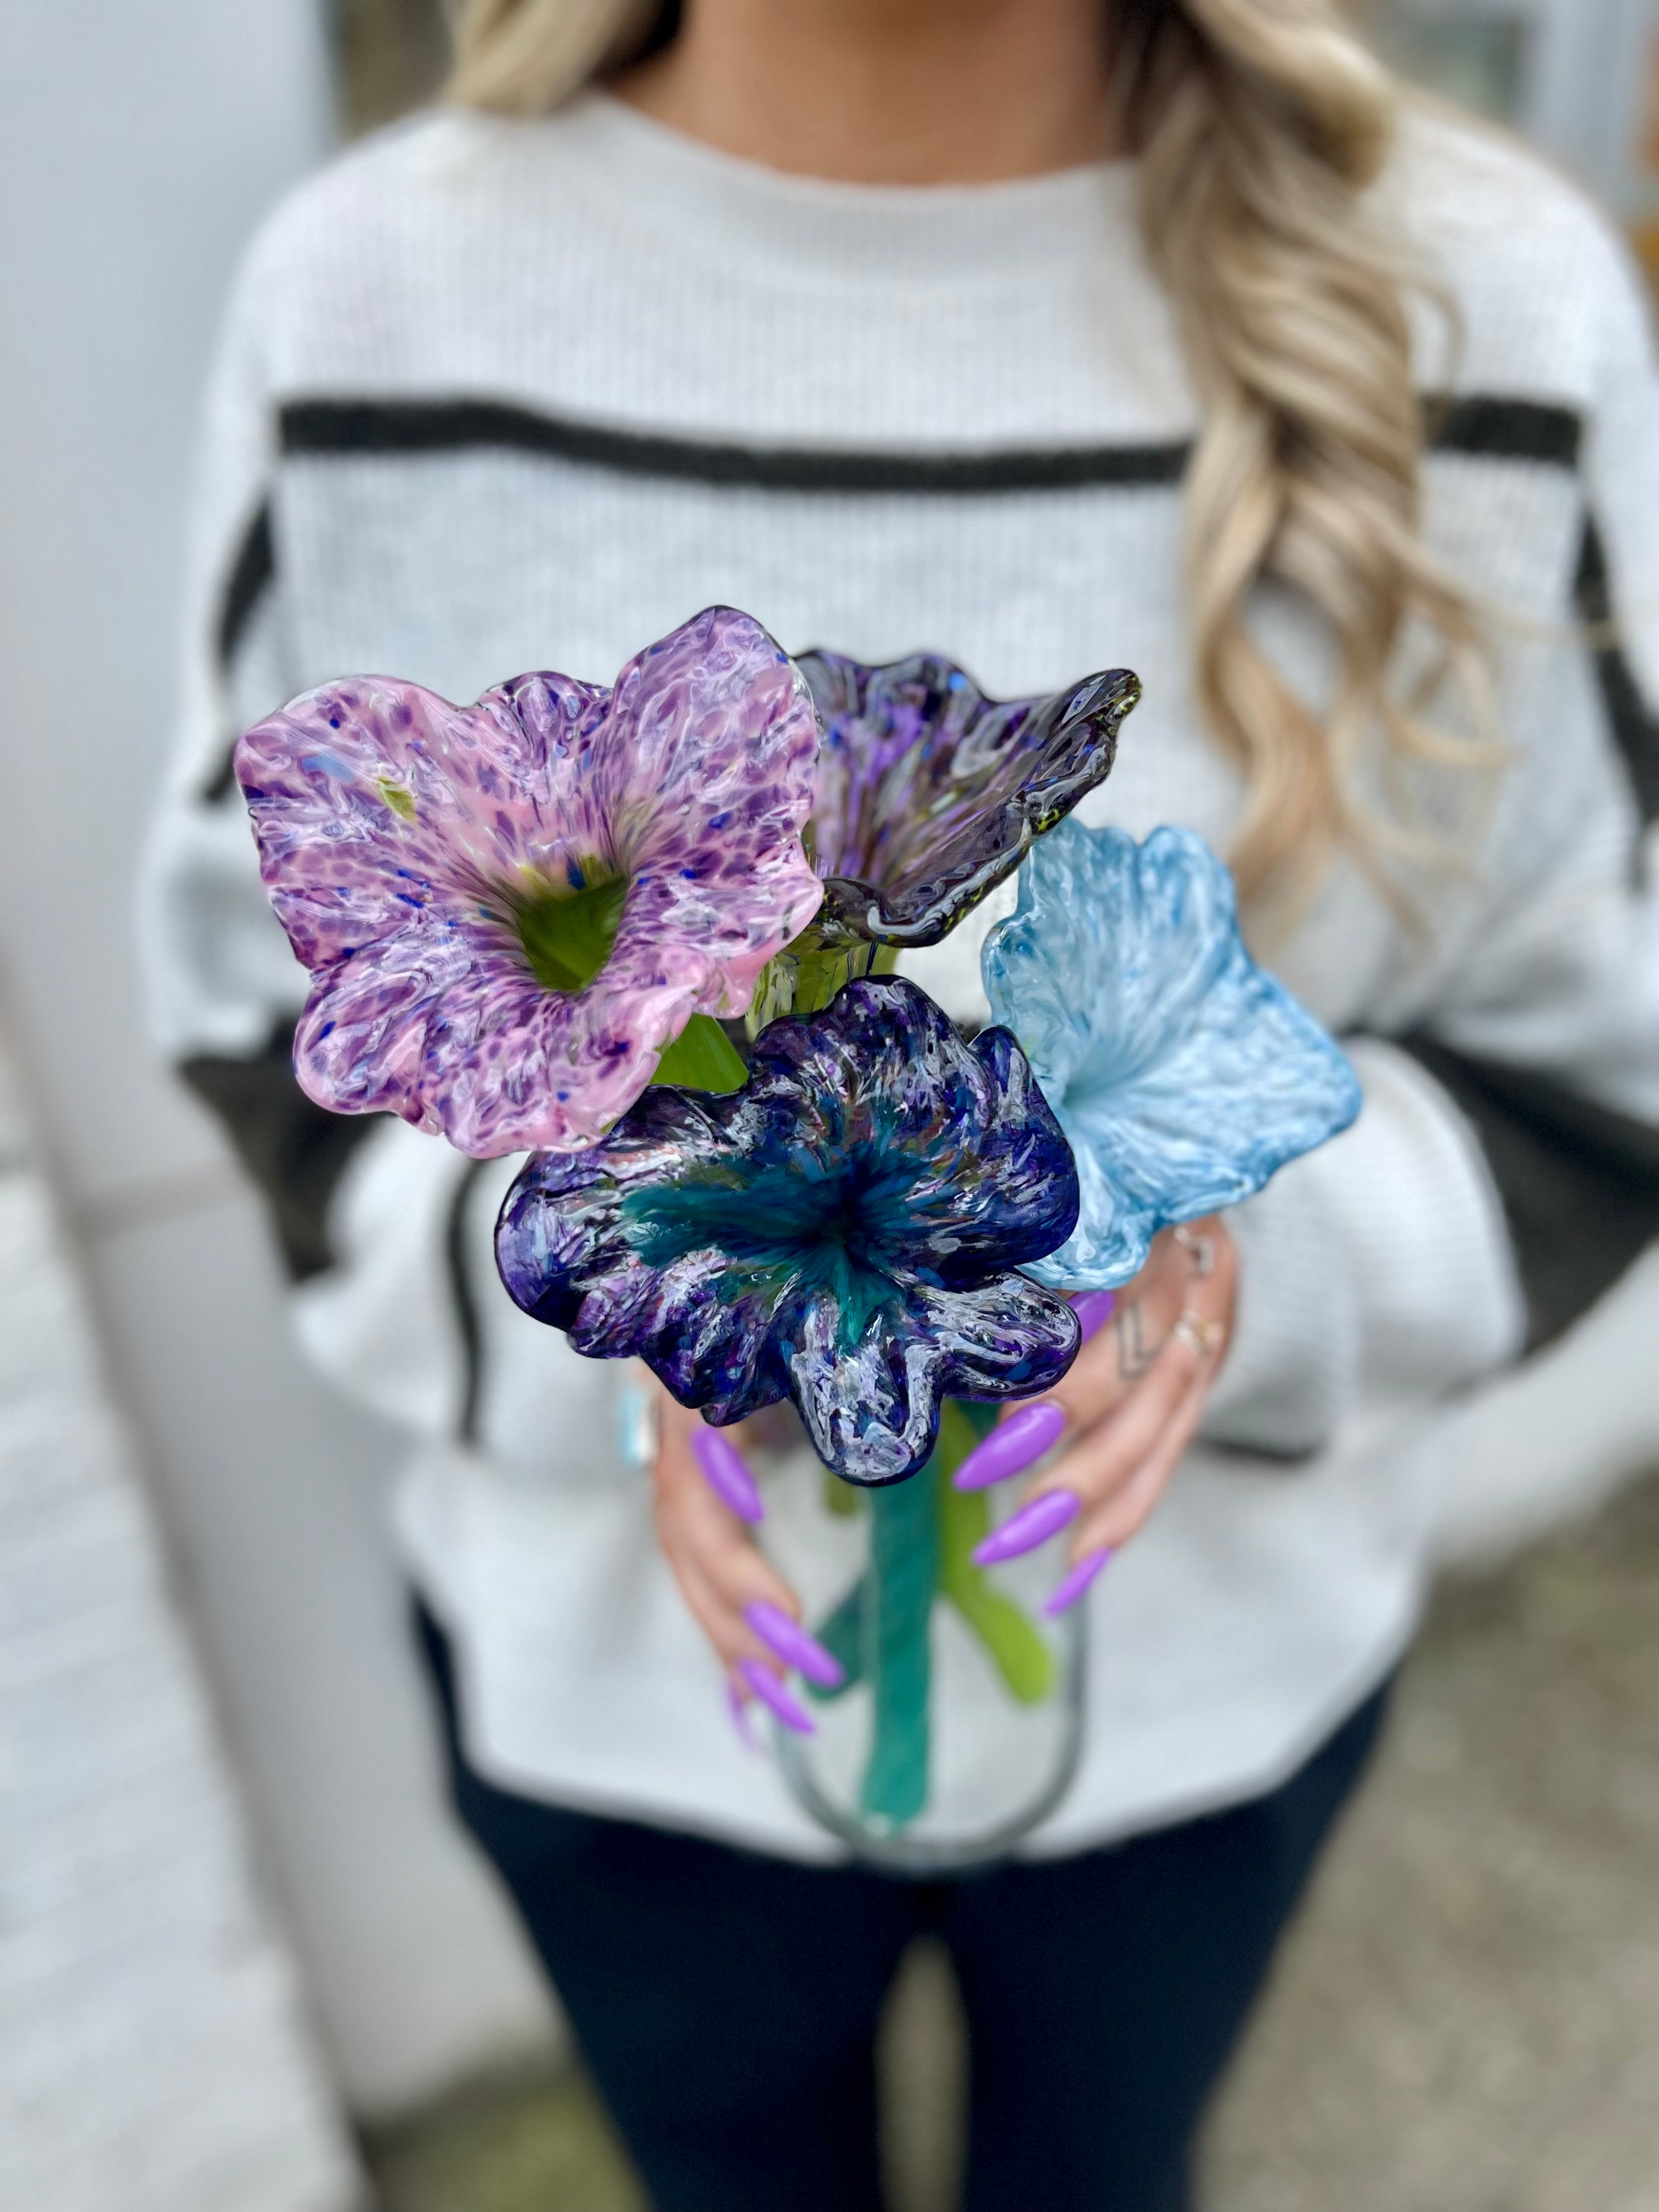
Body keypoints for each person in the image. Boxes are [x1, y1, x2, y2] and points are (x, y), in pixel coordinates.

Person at [142, 2, 1659, 2205]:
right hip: (632, 1733)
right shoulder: (371, 301)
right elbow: (254, 1030)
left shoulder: (1488, 307)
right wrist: (654, 1323)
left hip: (1205, 1727)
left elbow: (1598, 1077)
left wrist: (1205, 1242)